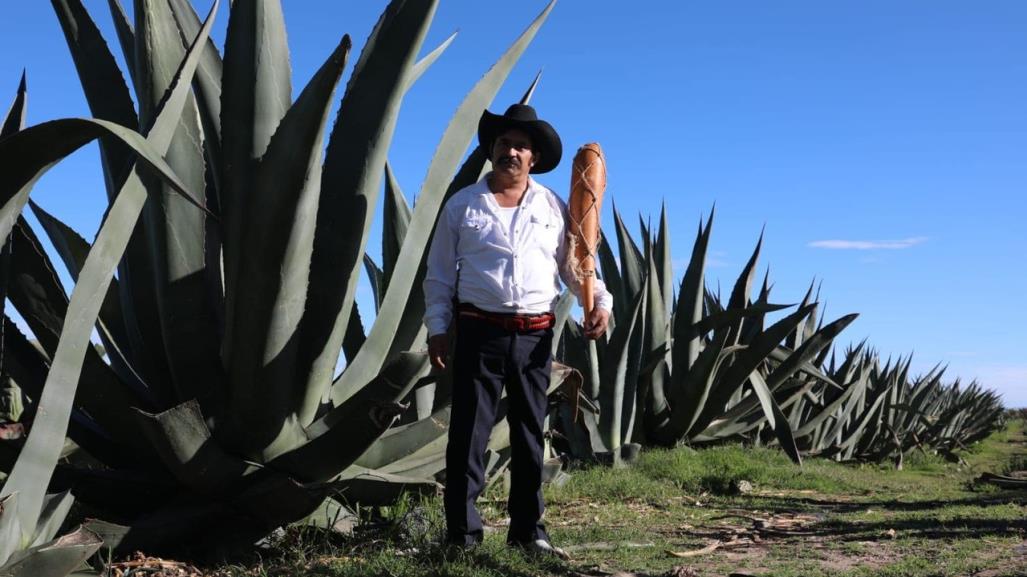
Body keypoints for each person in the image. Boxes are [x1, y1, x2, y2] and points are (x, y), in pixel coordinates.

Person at [423, 103, 612, 557]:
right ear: (492, 150)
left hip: (534, 335)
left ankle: (529, 532)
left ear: (534, 158)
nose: (512, 151)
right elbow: (439, 274)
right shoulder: (462, 206)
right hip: (477, 331)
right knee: (468, 434)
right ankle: (462, 537)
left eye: (521, 146)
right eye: (505, 143)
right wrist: (437, 327)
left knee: (530, 433)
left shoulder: (552, 206)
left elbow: (576, 265)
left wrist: (599, 301)